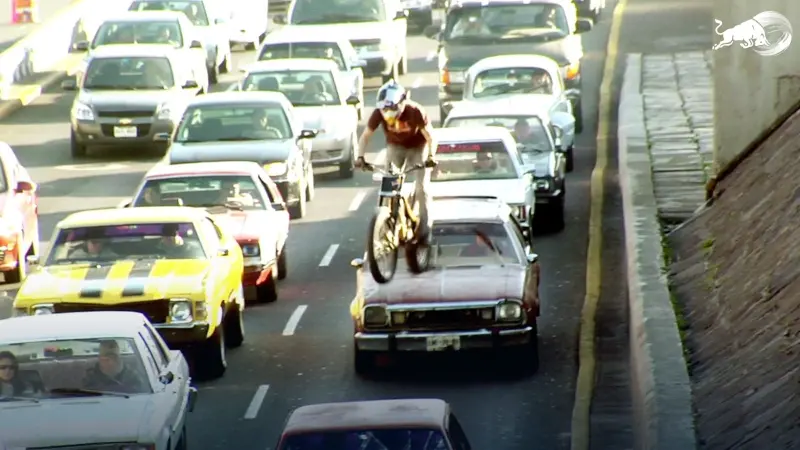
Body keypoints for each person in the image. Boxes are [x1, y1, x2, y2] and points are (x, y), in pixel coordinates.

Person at [355, 81, 437, 238]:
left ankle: (426, 227)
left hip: (418, 146)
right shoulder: (378, 113)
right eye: (384, 109)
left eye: (392, 108)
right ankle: (385, 221)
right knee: (388, 184)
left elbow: (430, 136)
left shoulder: (415, 111)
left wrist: (431, 156)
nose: (388, 113)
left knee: (421, 187)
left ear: (402, 102)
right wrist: (360, 157)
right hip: (396, 146)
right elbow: (365, 136)